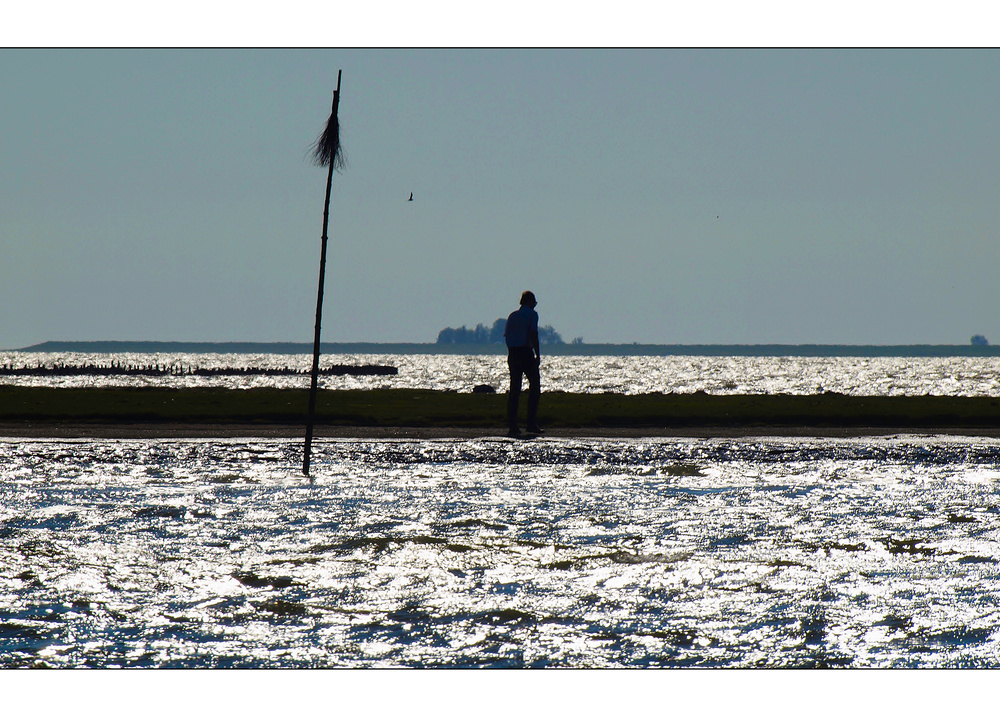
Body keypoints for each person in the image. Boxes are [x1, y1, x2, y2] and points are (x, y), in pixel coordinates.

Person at [504, 290, 543, 436]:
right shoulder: (532, 315)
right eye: (534, 302)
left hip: (513, 352)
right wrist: (537, 355)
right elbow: (533, 334)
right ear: (530, 301)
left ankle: (513, 425)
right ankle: (531, 423)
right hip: (525, 352)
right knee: (535, 386)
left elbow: (507, 336)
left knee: (514, 389)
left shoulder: (512, 316)